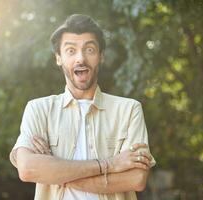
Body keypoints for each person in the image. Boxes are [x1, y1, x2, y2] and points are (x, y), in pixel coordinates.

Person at [9, 14, 156, 200]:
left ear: (101, 56)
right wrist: (109, 165)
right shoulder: (38, 109)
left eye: (89, 49)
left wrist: (54, 172)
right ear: (58, 58)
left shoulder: (129, 110)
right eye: (71, 50)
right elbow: (28, 169)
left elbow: (136, 179)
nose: (80, 58)